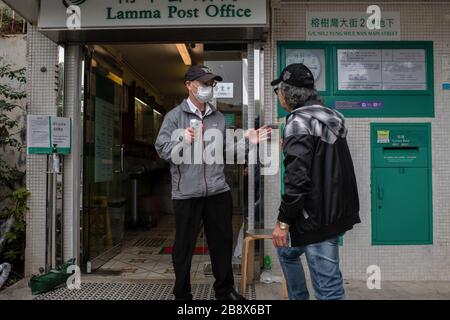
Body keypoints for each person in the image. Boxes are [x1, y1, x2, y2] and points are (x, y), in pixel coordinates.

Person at [155, 65, 269, 300]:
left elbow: (225, 151)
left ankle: (224, 291)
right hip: (186, 193)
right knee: (183, 248)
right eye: (204, 83)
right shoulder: (174, 117)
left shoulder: (217, 117)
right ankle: (182, 294)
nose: (208, 88)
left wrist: (249, 141)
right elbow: (163, 151)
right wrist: (183, 141)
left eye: (211, 84)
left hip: (217, 192)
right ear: (189, 85)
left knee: (222, 244)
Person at [271, 63, 361, 300]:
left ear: (287, 93)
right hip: (330, 211)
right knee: (286, 252)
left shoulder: (298, 122)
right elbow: (320, 161)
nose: (278, 95)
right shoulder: (330, 116)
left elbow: (296, 180)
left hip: (315, 217)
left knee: (328, 290)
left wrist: (283, 222)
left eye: (278, 90)